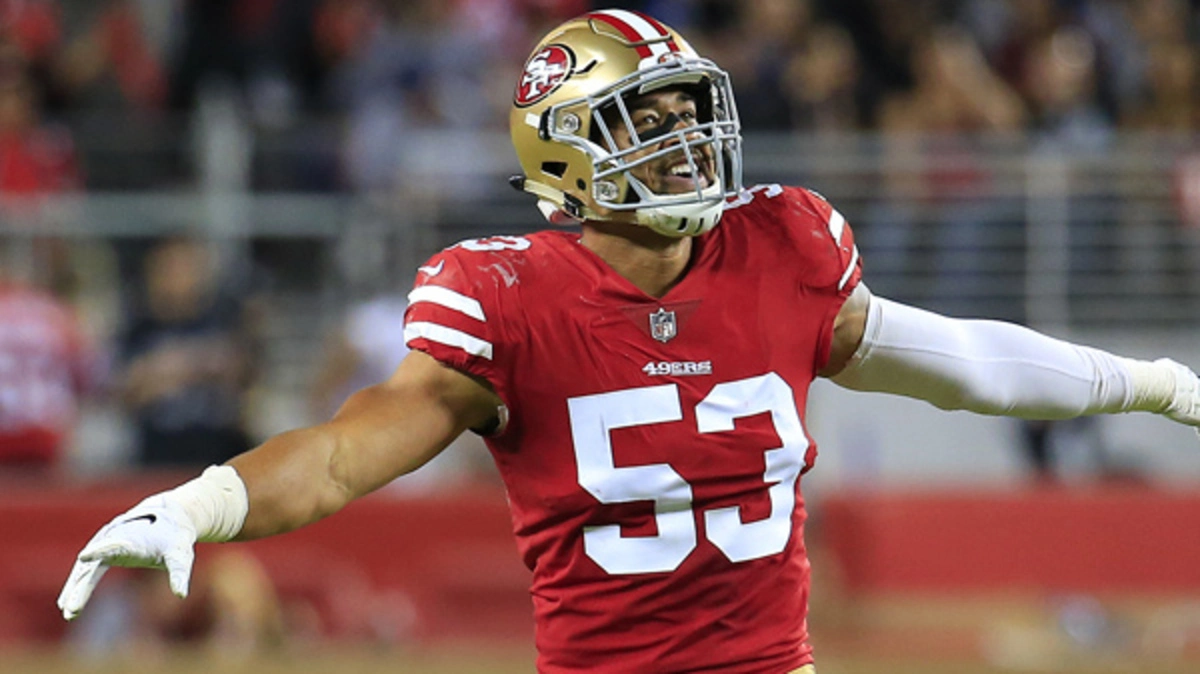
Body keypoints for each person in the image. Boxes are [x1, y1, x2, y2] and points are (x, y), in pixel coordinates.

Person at [58, 10, 1200, 674]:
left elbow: (959, 362)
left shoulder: (783, 245)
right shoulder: (504, 295)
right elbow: (347, 451)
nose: (687, 143)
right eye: (646, 125)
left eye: (690, 115)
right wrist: (204, 501)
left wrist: (1151, 383)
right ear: (563, 154)